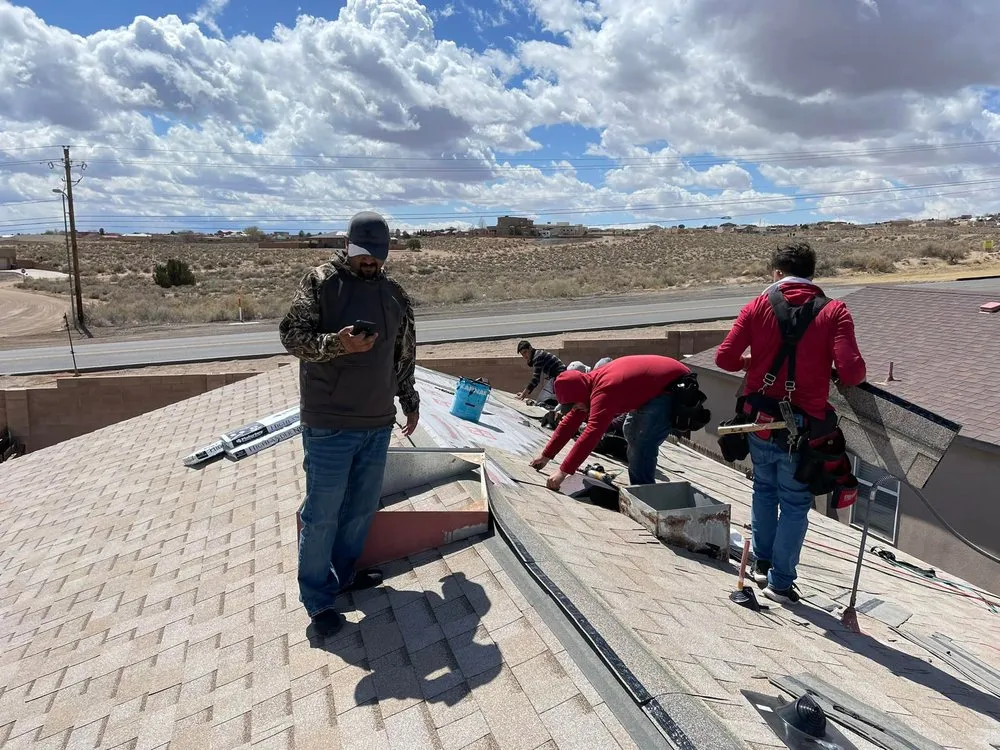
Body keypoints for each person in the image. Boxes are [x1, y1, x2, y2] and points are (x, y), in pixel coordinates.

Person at [279, 210, 420, 637]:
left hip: (377, 423)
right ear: (348, 246)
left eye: (377, 256)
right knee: (322, 514)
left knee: (360, 509)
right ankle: (318, 600)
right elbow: (290, 335)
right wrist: (335, 343)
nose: (370, 263)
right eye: (363, 255)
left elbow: (404, 352)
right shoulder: (321, 281)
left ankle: (344, 574)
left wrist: (409, 398)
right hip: (329, 423)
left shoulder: (394, 293)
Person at [715, 241, 866, 605]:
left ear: (777, 273)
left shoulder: (757, 305)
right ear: (813, 275)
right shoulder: (834, 311)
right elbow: (854, 373)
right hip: (804, 427)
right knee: (796, 502)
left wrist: (755, 365)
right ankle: (780, 583)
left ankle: (762, 564)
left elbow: (724, 359)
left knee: (764, 490)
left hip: (760, 421)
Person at [529, 355, 694, 491]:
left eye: (574, 404)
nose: (575, 408)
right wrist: (546, 456)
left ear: (579, 394)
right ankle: (641, 488)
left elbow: (592, 433)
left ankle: (645, 493)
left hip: (672, 385)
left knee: (642, 440)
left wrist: (562, 472)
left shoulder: (604, 390)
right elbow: (570, 422)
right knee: (630, 431)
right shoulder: (588, 385)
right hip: (655, 386)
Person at [516, 340, 566, 405]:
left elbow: (535, 379)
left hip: (559, 377)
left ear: (530, 348)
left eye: (525, 352)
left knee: (540, 400)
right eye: (522, 354)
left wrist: (524, 393)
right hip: (558, 377)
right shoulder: (537, 354)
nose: (525, 356)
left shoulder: (537, 357)